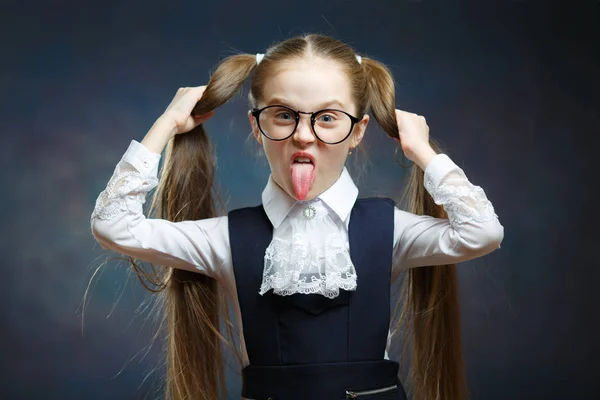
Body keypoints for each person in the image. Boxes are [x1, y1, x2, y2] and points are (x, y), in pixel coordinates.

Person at [90, 34, 504, 400]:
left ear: (357, 131)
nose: (304, 135)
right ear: (257, 125)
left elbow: (481, 232)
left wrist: (423, 152)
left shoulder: (391, 229)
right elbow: (113, 225)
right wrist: (165, 125)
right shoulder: (224, 239)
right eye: (284, 115)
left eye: (327, 117)